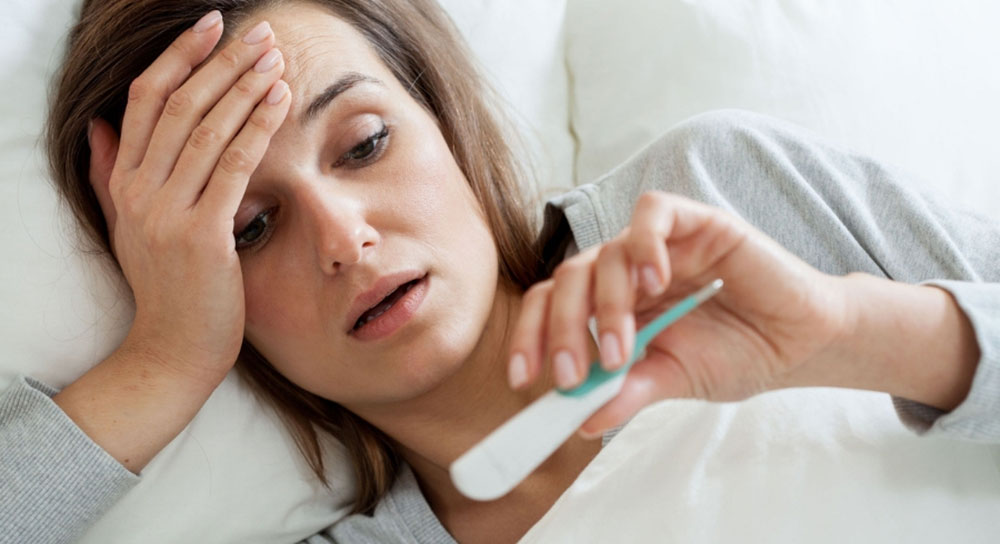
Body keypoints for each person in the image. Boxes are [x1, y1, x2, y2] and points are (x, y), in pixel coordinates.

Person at [1, 0, 998, 542]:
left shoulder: (718, 191)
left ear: (445, 120)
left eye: (364, 143)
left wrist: (849, 332)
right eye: (250, 227)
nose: (344, 238)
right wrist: (166, 358)